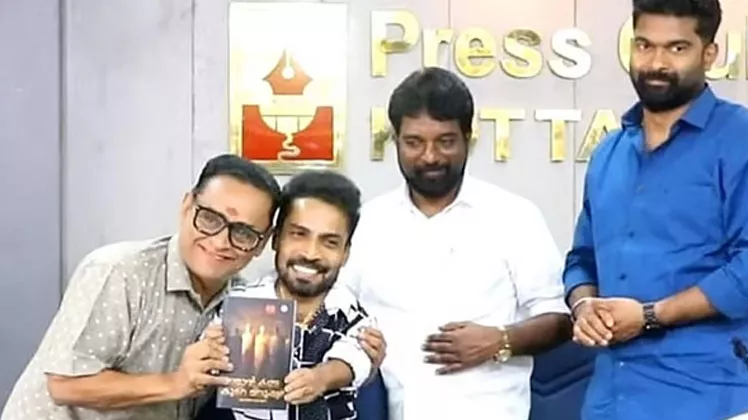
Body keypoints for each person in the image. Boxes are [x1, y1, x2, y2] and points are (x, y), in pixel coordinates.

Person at [563, 1, 748, 419]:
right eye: (644, 45)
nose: (655, 63)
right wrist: (584, 308)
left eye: (676, 48)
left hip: (714, 397)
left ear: (709, 54)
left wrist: (650, 316)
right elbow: (582, 260)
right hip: (613, 399)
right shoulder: (609, 154)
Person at [336, 67, 572, 420]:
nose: (430, 156)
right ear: (396, 140)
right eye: (414, 142)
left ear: (467, 138)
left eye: (445, 141)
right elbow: (334, 313)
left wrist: (500, 340)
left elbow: (559, 319)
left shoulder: (514, 217)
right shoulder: (368, 223)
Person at [1, 154, 282, 420]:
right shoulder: (119, 272)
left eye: (244, 232)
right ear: (187, 206)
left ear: (263, 242)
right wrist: (176, 383)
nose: (220, 242)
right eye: (210, 218)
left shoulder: (245, 304)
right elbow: (64, 386)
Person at [195, 170, 387, 420]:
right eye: (299, 234)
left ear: (345, 253)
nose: (310, 253)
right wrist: (212, 347)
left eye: (329, 242)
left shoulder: (351, 314)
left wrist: (323, 377)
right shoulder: (242, 303)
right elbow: (209, 359)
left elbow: (357, 358)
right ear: (276, 239)